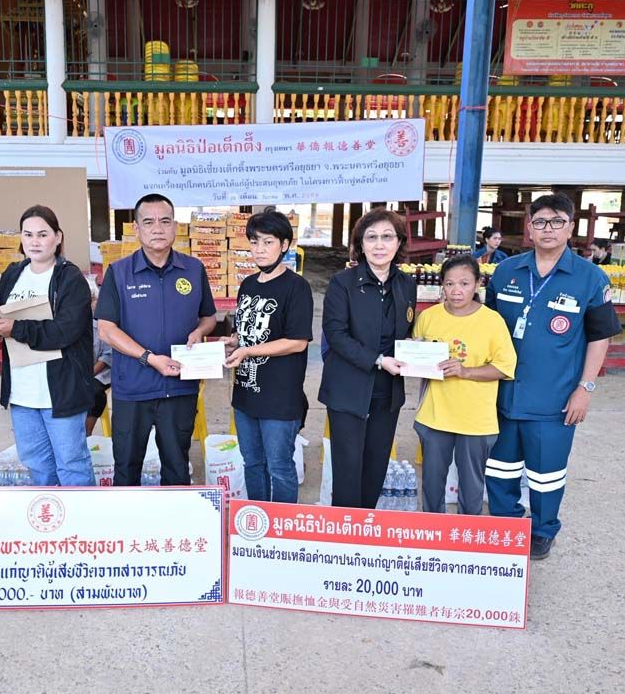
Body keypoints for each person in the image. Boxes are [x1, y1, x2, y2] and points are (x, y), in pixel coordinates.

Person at [484, 193, 621, 560]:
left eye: (557, 221)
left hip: (554, 398)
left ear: (570, 228)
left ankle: (543, 530)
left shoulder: (590, 278)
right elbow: (484, 325)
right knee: (500, 467)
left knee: (546, 474)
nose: (548, 229)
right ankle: (506, 523)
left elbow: (600, 337)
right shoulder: (506, 272)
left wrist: (585, 388)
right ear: (529, 227)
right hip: (501, 392)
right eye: (541, 221)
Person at [96, 193, 217, 486]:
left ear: (175, 226)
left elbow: (209, 317)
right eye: (148, 222)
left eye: (165, 221)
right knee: (126, 469)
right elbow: (106, 329)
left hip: (179, 387)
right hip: (133, 388)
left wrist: (200, 331)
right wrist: (149, 358)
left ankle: (174, 517)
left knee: (177, 468)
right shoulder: (119, 272)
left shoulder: (193, 269)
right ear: (136, 229)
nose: (158, 229)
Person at [319, 207, 417, 509]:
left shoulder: (406, 284)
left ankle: (367, 525)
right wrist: (378, 360)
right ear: (360, 244)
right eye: (371, 237)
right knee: (348, 471)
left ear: (399, 242)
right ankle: (348, 531)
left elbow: (405, 331)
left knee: (376, 467)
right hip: (348, 389)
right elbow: (336, 334)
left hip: (387, 391)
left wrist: (414, 348)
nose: (379, 245)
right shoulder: (342, 283)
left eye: (387, 237)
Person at [0, 205, 95, 487]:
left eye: (42, 234)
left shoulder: (70, 279)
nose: (34, 241)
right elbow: (0, 317)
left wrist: (17, 328)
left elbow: (66, 330)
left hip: (60, 391)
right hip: (22, 391)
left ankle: (82, 515)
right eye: (28, 234)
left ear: (58, 237)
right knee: (37, 465)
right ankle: (50, 515)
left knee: (72, 465)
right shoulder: (13, 274)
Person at [412, 254, 516, 515]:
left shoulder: (492, 322)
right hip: (434, 415)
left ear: (478, 284)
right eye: (449, 284)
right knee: (431, 483)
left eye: (464, 283)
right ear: (442, 285)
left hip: (475, 419)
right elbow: (416, 355)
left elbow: (504, 368)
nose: (456, 291)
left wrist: (465, 371)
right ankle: (433, 530)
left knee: (471, 488)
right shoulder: (429, 317)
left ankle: (467, 534)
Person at [223, 210, 313, 503]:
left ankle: (282, 525)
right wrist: (234, 342)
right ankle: (258, 519)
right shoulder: (248, 284)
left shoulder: (297, 287)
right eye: (254, 242)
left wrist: (247, 350)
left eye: (268, 242)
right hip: (245, 394)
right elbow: (246, 332)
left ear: (284, 245)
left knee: (279, 467)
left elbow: (297, 342)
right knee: (253, 463)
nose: (259, 250)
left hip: (279, 398)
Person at [86, 280, 113, 436]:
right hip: (73, 373)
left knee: (94, 391)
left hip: (100, 371)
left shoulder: (100, 322)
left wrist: (89, 374)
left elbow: (107, 355)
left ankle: (86, 433)